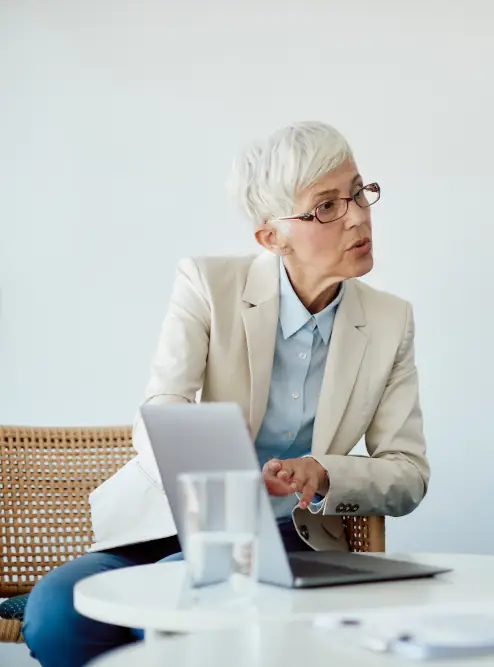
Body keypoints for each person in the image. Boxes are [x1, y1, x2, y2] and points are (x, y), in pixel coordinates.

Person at [22, 121, 431, 667]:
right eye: (326, 206)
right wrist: (202, 440)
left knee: (184, 605)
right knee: (55, 612)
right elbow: (161, 405)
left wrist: (325, 471)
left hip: (289, 542)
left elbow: (408, 473)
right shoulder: (206, 284)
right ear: (271, 237)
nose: (358, 216)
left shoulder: (389, 320)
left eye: (358, 192)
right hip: (166, 525)